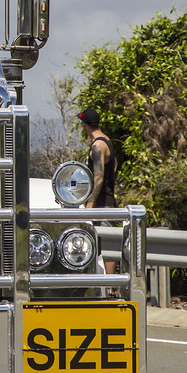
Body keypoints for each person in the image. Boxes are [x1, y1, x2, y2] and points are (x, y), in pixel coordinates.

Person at [77, 107, 119, 278]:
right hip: (108, 198)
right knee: (104, 244)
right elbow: (114, 166)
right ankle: (107, 285)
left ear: (85, 125)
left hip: (102, 203)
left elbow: (99, 178)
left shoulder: (97, 146)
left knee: (107, 245)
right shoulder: (106, 140)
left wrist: (90, 204)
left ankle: (110, 287)